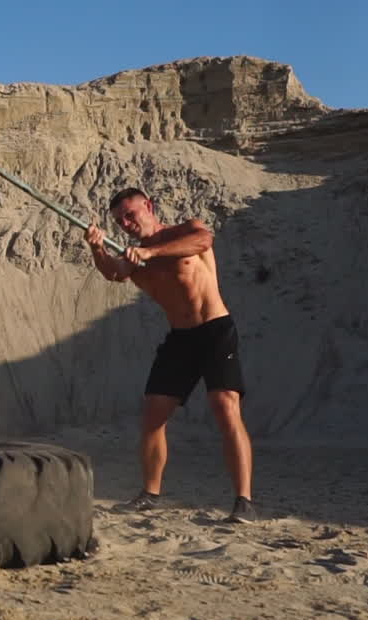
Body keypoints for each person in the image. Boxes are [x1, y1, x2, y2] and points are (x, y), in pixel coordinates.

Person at [86, 187, 255, 523]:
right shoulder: (133, 256)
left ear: (148, 206)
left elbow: (203, 241)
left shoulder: (182, 232)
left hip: (215, 330)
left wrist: (151, 253)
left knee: (225, 407)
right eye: (120, 221)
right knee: (153, 415)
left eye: (131, 214)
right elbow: (114, 272)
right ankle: (150, 494)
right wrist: (97, 248)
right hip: (180, 339)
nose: (127, 223)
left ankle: (243, 501)